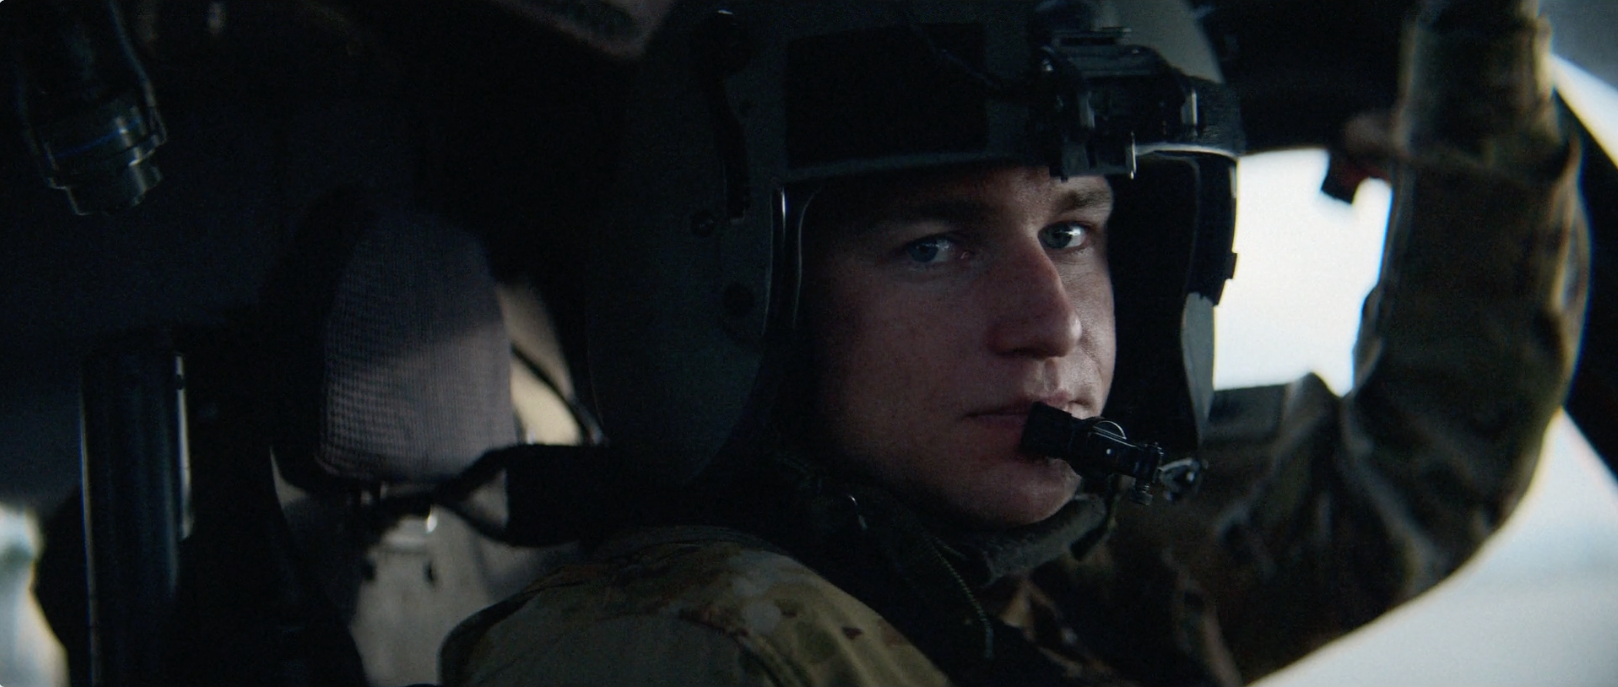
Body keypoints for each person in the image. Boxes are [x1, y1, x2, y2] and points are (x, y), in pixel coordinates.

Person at [440, 0, 1588, 685]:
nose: (1049, 323)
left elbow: (1419, 466)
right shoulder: (689, 653)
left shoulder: (1068, 584)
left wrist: (1477, 43)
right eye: (932, 247)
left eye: (1072, 229)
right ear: (749, 297)